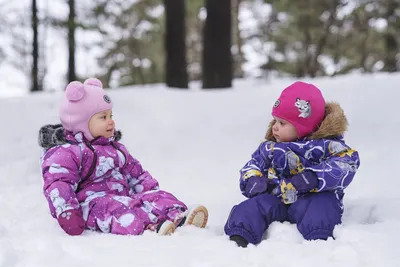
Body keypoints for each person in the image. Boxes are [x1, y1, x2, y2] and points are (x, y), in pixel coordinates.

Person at [39, 78, 208, 236]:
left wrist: (150, 192)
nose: (111, 122)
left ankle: (179, 217)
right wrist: (67, 211)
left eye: (110, 116)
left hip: (124, 197)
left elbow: (136, 173)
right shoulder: (66, 152)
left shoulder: (115, 148)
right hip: (91, 205)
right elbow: (58, 183)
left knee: (156, 198)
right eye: (103, 117)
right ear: (81, 122)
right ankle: (151, 228)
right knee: (119, 210)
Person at [224, 81, 360, 247]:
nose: (275, 128)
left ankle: (319, 238)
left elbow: (346, 164)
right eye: (274, 121)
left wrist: (315, 177)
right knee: (250, 207)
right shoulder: (270, 147)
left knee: (323, 205)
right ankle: (241, 234)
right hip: (277, 199)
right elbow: (253, 165)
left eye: (282, 123)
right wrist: (253, 180)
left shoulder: (326, 146)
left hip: (311, 197)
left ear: (304, 126)